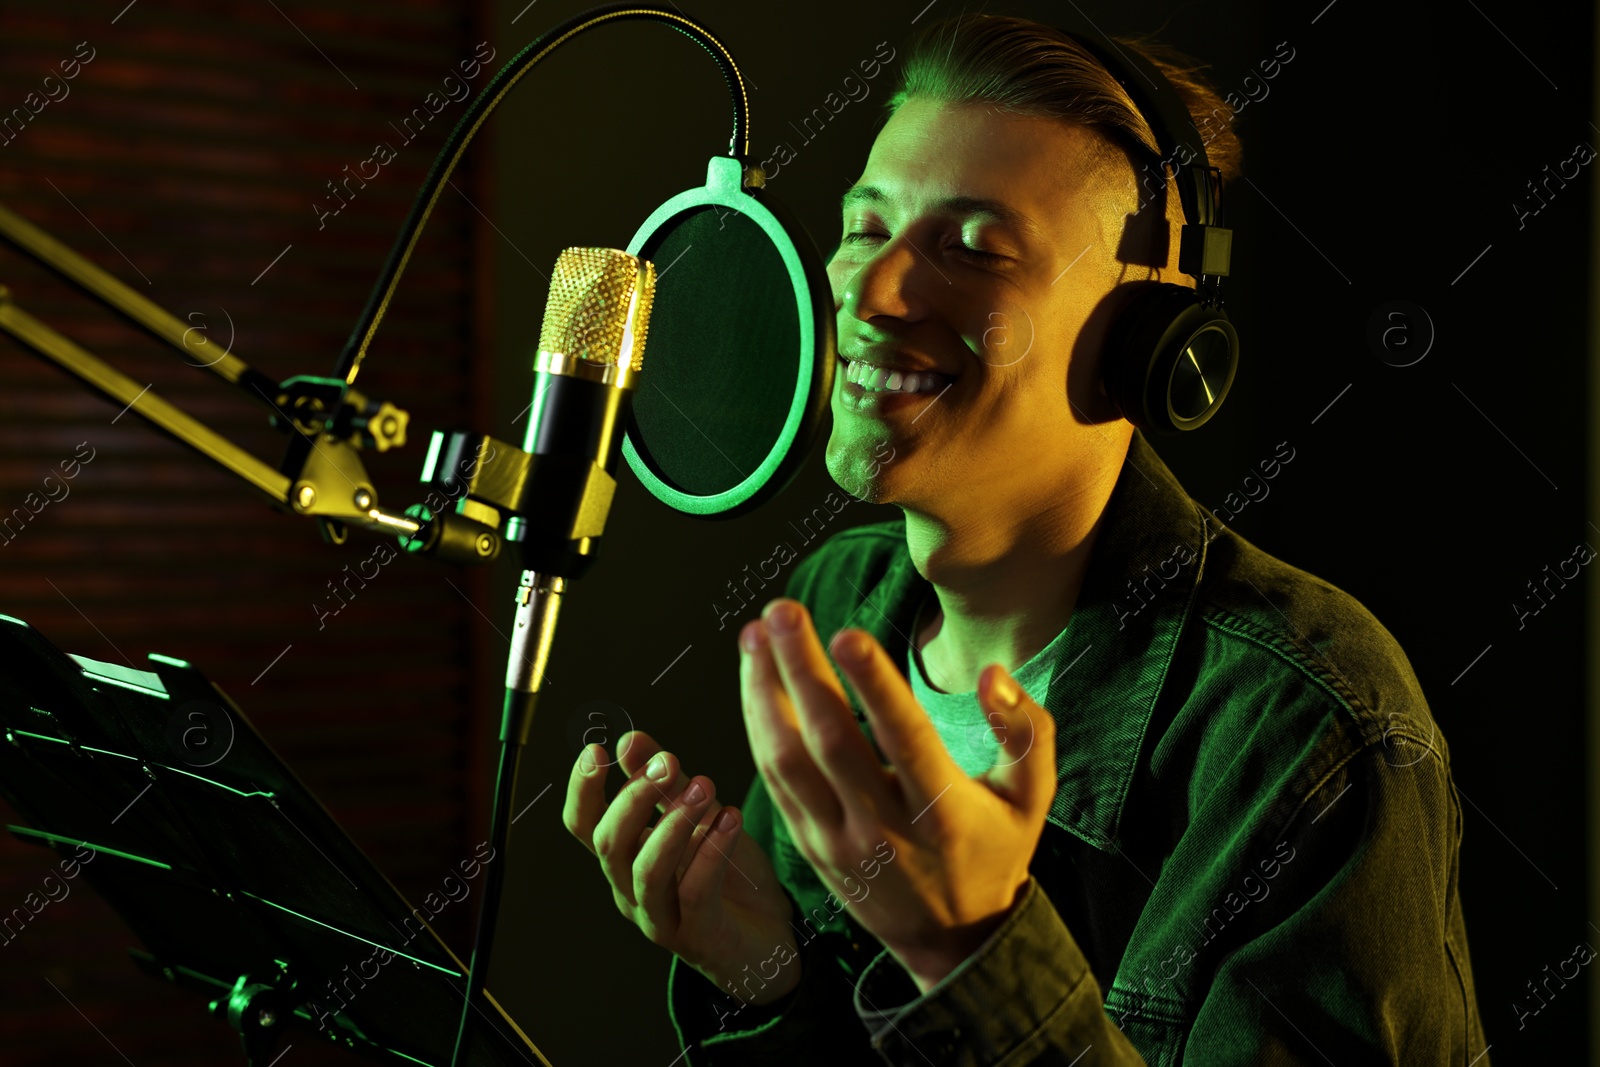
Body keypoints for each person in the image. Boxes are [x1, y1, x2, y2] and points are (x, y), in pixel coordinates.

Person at [563, 12, 1488, 1065]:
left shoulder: (1303, 727)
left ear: (1147, 342)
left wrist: (975, 952)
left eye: (973, 248)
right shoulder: (834, 606)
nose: (868, 294)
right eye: (865, 228)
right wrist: (769, 976)